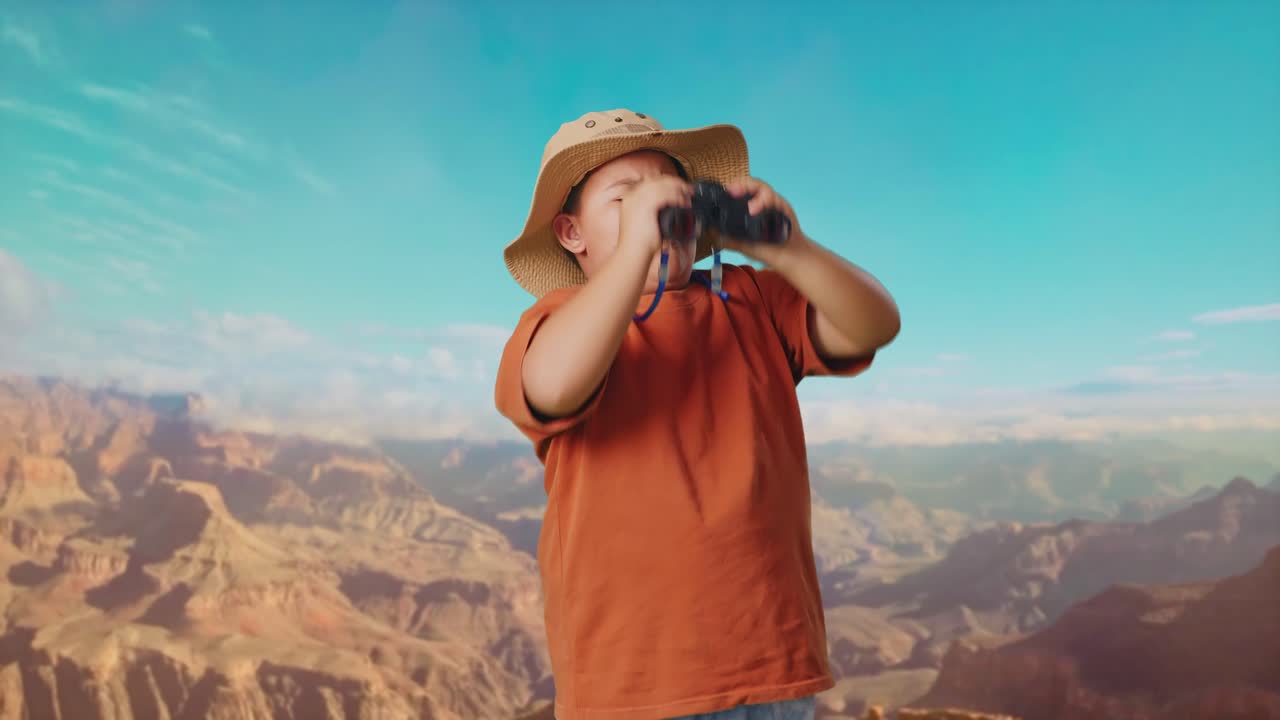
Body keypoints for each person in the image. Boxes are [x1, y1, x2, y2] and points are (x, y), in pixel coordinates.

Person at [494, 109, 900, 720]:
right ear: (572, 233)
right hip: (633, 682)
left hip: (773, 665)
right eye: (624, 198)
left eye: (668, 197)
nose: (653, 213)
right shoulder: (559, 322)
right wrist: (636, 251)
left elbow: (874, 324)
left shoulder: (753, 300)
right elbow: (553, 387)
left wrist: (791, 249)